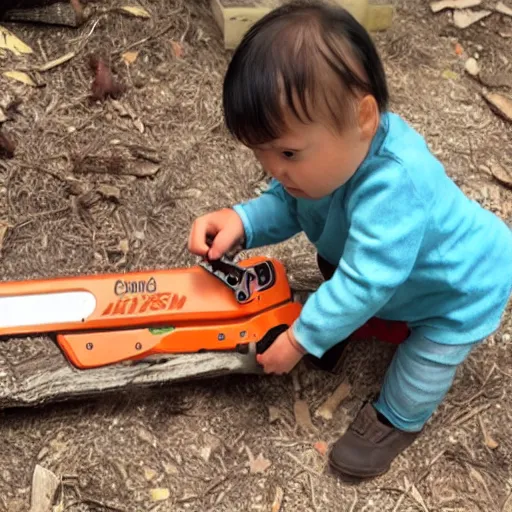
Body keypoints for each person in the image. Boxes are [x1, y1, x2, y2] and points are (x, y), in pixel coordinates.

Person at [187, 0, 512, 479]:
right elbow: (287, 203)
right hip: (396, 281)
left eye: (288, 152)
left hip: (456, 291)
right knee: (341, 279)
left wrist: (300, 338)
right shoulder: (329, 159)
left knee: (421, 365)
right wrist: (243, 220)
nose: (275, 169)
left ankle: (395, 421)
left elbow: (365, 282)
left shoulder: (397, 184)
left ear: (363, 118)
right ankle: (356, 323)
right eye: (262, 153)